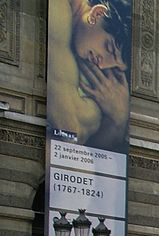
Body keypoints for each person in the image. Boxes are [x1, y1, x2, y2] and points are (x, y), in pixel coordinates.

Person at [47, 0, 133, 153]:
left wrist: (118, 118)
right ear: (97, 14)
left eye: (115, 67)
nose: (102, 65)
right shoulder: (57, 10)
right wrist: (112, 118)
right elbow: (72, 131)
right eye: (109, 49)